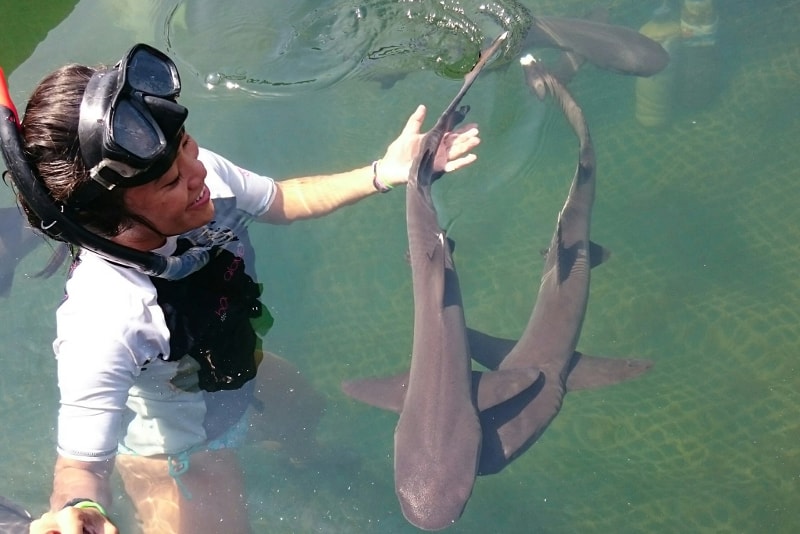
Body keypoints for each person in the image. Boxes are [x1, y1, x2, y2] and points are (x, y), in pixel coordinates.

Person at [1, 43, 480, 534]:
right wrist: (82, 509)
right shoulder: (103, 321)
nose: (199, 171)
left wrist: (383, 173)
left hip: (233, 366)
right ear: (111, 221)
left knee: (305, 409)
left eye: (187, 144)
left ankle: (303, 460)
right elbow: (79, 468)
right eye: (170, 184)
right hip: (177, 444)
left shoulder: (198, 177)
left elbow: (283, 198)